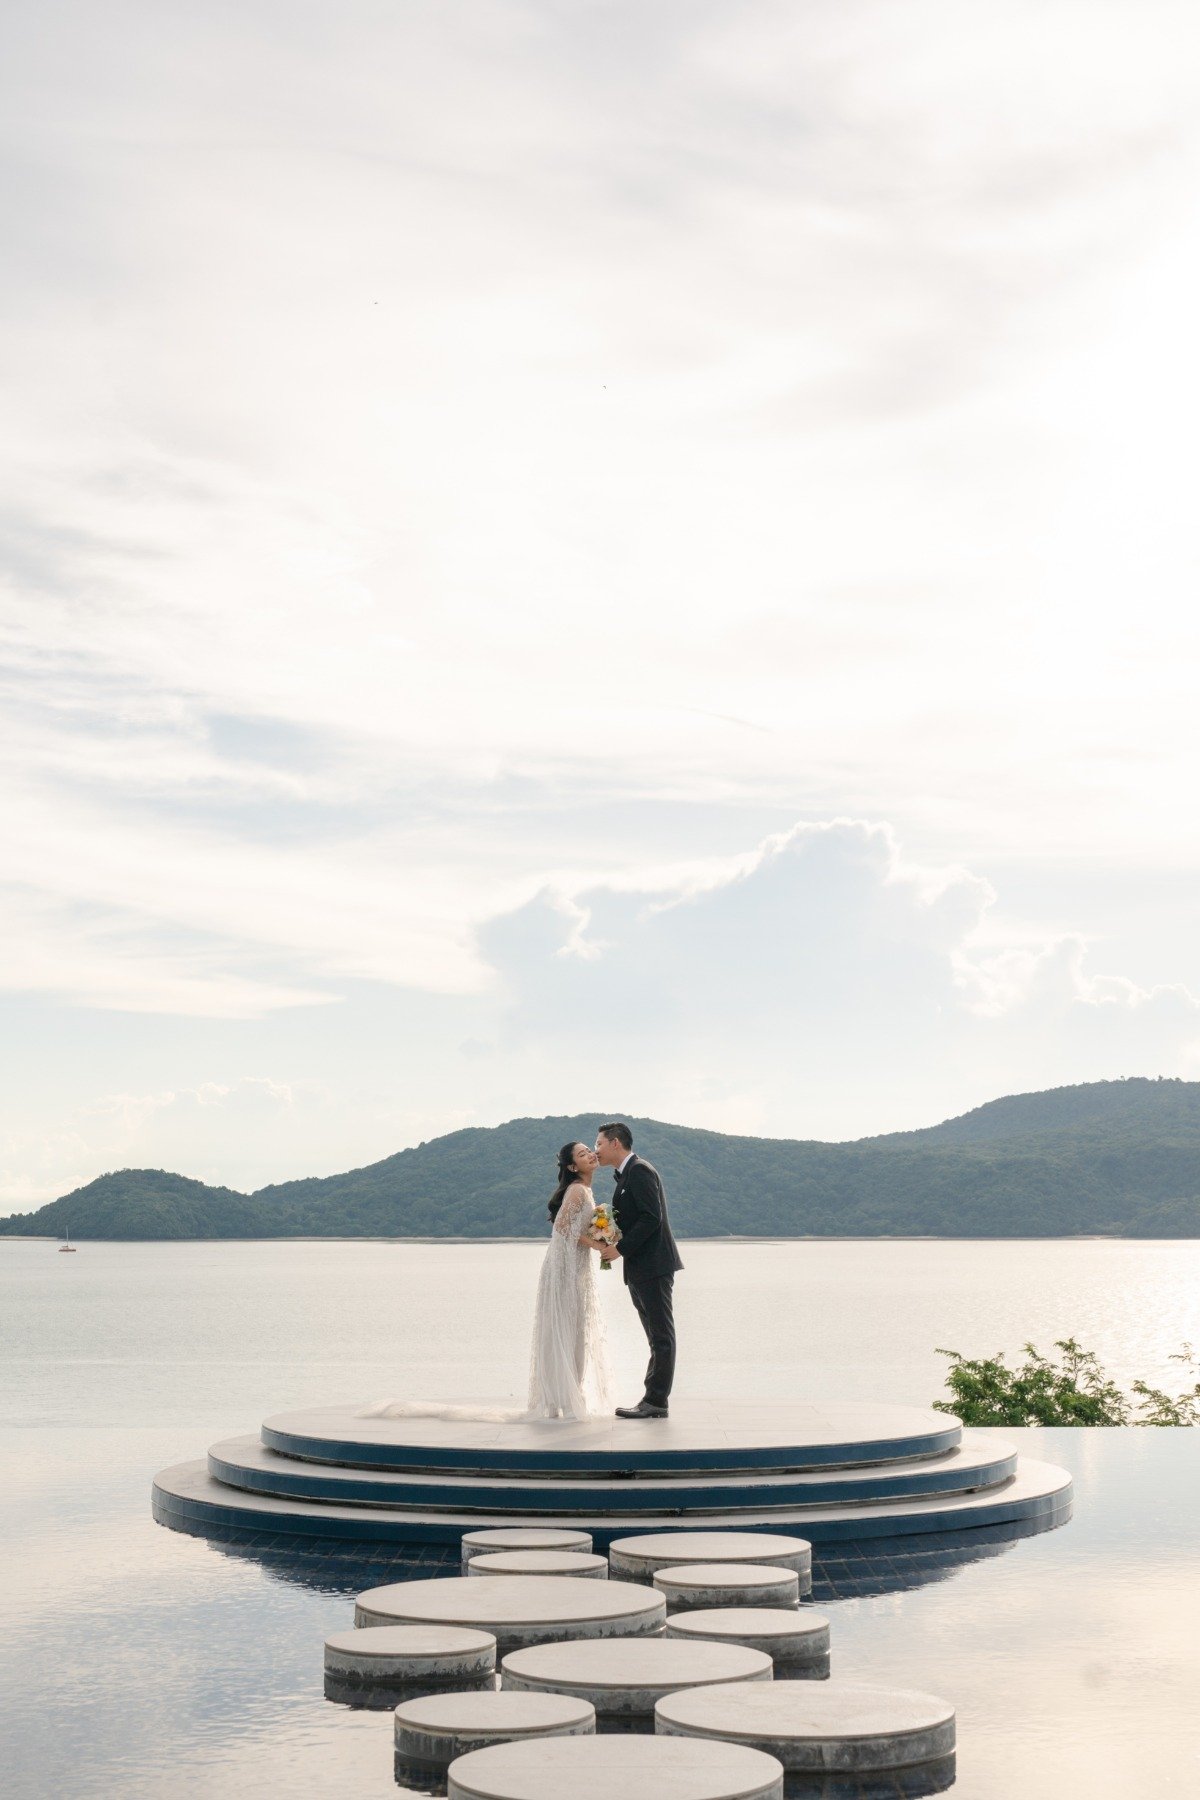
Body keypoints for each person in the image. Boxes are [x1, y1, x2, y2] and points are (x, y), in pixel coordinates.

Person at [358, 1140, 614, 1423]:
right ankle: (561, 1400)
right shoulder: (577, 1190)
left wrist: (601, 1238)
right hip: (564, 1268)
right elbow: (562, 1227)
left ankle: (564, 1399)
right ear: (571, 1166)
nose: (590, 1154)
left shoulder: (586, 1190)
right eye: (582, 1154)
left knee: (572, 1329)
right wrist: (595, 1243)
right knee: (566, 1328)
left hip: (574, 1267)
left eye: (589, 1151)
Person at [593, 1121, 683, 1418]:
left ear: (615, 1143)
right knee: (655, 1336)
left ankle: (656, 1402)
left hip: (654, 1265)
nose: (597, 1151)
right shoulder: (626, 1175)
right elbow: (638, 1220)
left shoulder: (640, 1170)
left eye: (599, 1144)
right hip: (642, 1267)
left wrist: (619, 1248)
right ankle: (653, 1398)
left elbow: (651, 1218)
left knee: (661, 1336)